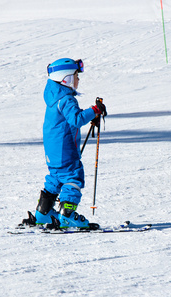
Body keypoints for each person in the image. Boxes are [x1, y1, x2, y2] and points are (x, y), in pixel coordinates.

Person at [33, 58, 106, 229]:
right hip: (65, 148)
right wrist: (95, 110)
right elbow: (76, 119)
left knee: (56, 177)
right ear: (65, 78)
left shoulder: (54, 96)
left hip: (53, 150)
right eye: (75, 76)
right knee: (73, 175)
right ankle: (67, 215)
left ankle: (43, 213)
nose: (78, 80)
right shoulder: (66, 99)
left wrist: (91, 114)